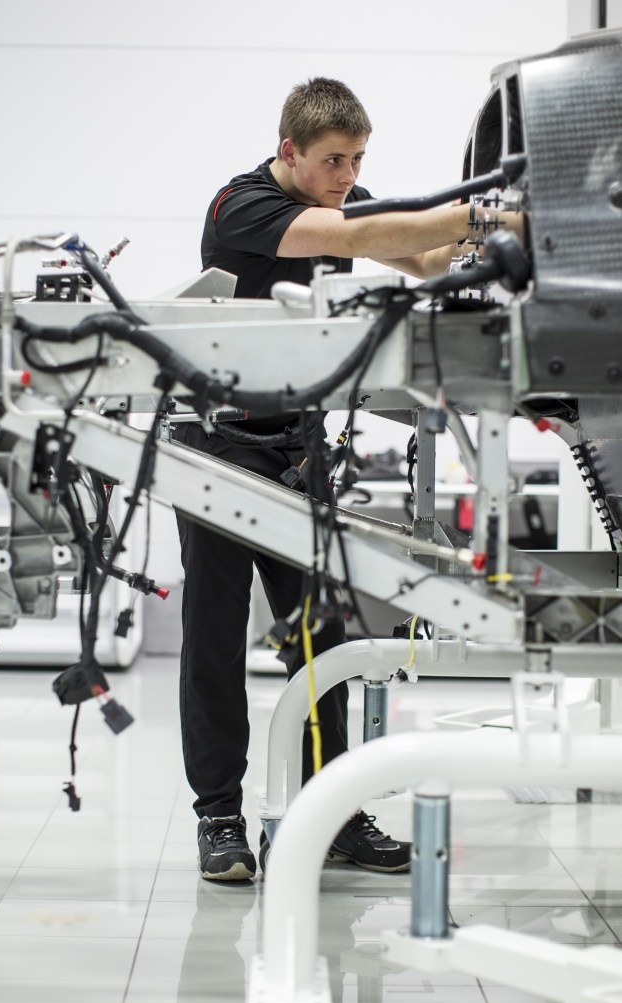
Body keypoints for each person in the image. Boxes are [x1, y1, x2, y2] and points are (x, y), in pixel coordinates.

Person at [176, 77, 521, 881]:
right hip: (217, 445)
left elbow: (419, 254)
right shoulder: (243, 206)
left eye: (358, 159)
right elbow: (366, 231)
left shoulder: (345, 202)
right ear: (289, 151)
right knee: (215, 638)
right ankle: (218, 817)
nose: (348, 175)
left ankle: (328, 815)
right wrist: (485, 215)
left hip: (298, 449)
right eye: (334, 160)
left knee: (322, 639)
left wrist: (492, 243)